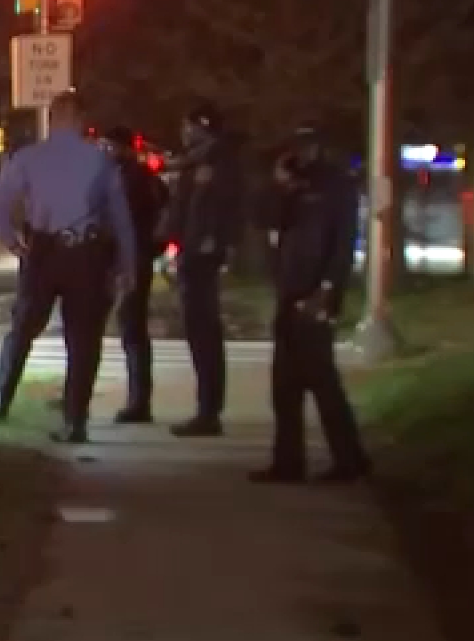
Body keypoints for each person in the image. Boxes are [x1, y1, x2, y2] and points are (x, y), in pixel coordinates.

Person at [0, 89, 138, 443]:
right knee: (83, 340)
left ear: (52, 119)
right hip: (86, 254)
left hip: (43, 252)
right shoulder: (100, 161)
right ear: (80, 120)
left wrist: (10, 239)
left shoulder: (28, 158)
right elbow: (119, 216)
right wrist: (127, 263)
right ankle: (74, 419)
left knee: (23, 329)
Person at [253, 126, 370, 483]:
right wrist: (281, 185)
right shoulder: (293, 186)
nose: (302, 153)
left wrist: (328, 289)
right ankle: (288, 461)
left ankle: (350, 459)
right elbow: (266, 219)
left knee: (321, 380)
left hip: (316, 293)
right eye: (297, 146)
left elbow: (342, 243)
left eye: (307, 146)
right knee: (285, 385)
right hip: (289, 292)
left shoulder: (335, 186)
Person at [161, 103, 244, 437]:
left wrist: (208, 242)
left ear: (201, 127)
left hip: (201, 257)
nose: (183, 133)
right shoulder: (199, 162)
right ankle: (207, 408)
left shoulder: (214, 162)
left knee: (204, 332)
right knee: (200, 333)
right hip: (194, 253)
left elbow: (218, 210)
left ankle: (209, 411)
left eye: (187, 126)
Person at [99, 127, 169, 423]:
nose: (103, 151)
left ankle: (139, 402)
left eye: (107, 146)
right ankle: (138, 399)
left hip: (126, 260)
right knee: (131, 328)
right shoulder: (141, 177)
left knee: (131, 329)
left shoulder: (126, 178)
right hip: (134, 258)